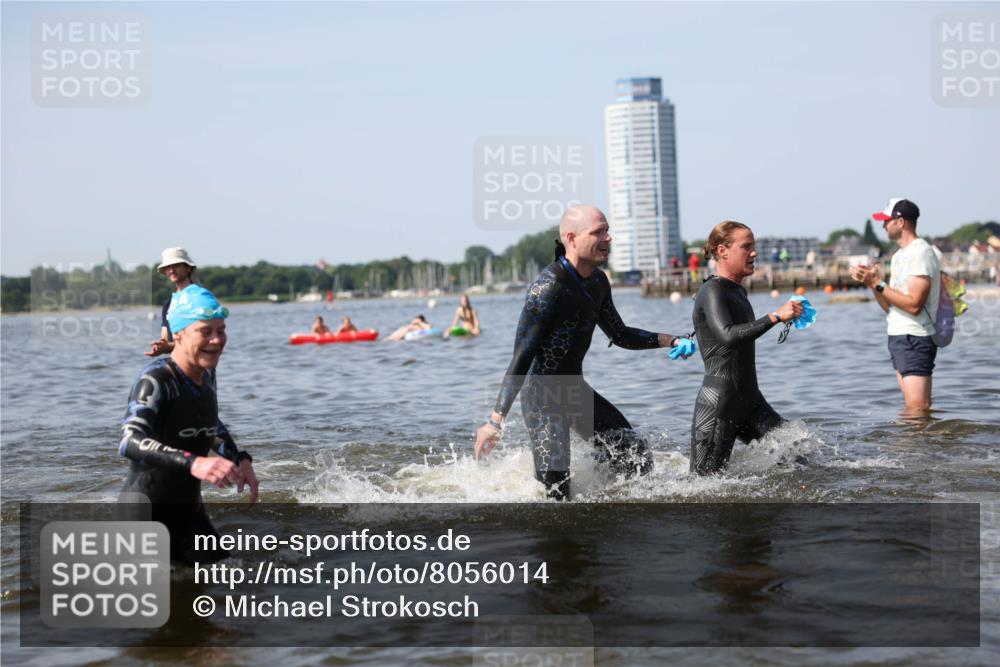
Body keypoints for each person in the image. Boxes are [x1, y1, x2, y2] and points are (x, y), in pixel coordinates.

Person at [474, 205, 690, 500]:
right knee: (557, 489)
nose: (608, 238)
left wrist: (671, 341)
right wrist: (494, 421)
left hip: (574, 391)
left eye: (608, 230)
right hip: (542, 398)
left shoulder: (598, 282)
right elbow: (522, 355)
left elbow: (620, 334)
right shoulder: (547, 289)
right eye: (598, 232)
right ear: (571, 238)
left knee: (633, 452)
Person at [119, 285, 259, 564]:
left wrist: (240, 459)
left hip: (190, 514)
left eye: (221, 330)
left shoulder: (206, 375)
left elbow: (208, 423)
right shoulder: (157, 378)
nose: (217, 340)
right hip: (144, 518)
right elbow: (129, 440)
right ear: (179, 334)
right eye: (205, 331)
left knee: (232, 584)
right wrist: (196, 463)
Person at [690, 221, 803, 475]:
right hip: (719, 404)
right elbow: (727, 336)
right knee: (703, 488)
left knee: (798, 458)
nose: (754, 253)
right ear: (723, 251)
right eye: (746, 247)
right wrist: (775, 316)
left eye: (755, 247)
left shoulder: (737, 291)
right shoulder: (712, 290)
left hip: (751, 401)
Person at [850, 198, 940, 415]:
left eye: (886, 221)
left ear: (900, 222)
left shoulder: (920, 252)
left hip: (915, 336)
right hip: (899, 335)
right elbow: (890, 306)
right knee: (914, 407)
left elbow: (914, 305)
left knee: (917, 407)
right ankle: (916, 447)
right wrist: (872, 283)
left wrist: (877, 283)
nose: (883, 226)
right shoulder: (899, 255)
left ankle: (917, 448)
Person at [145, 247, 198, 356]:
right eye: (168, 267)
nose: (172, 270)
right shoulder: (168, 304)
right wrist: (161, 346)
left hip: (198, 367)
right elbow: (165, 338)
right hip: (177, 362)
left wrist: (168, 347)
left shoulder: (198, 298)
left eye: (176, 265)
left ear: (188, 268)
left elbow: (198, 341)